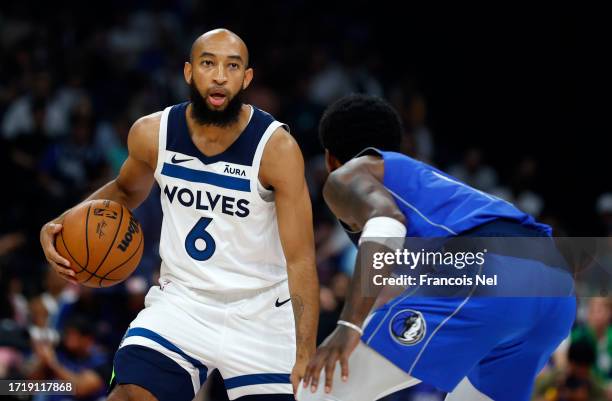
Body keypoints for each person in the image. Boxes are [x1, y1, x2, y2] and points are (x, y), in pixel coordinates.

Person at [40, 28, 319, 401]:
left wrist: (305, 352)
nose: (220, 75)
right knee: (130, 393)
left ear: (246, 78)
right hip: (184, 303)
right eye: (208, 63)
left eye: (232, 66)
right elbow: (124, 192)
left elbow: (301, 260)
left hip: (263, 313)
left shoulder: (276, 149)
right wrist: (60, 222)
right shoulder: (153, 133)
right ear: (189, 72)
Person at [297, 94, 576, 401]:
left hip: (488, 270)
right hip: (557, 289)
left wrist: (349, 324)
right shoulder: (431, 183)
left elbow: (388, 220)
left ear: (329, 159)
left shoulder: (346, 176)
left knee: (321, 390)